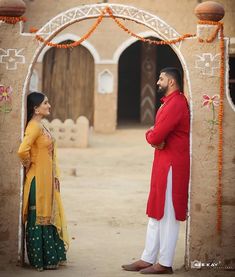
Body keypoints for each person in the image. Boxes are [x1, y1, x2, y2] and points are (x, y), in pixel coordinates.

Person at [122, 67, 190, 274]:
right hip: (163, 164)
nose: (157, 82)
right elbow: (156, 135)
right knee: (156, 211)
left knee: (168, 213)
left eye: (161, 79)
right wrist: (155, 136)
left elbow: (155, 135)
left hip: (173, 166)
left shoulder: (177, 103)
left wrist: (152, 136)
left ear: (171, 82)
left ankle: (165, 262)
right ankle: (147, 257)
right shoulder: (169, 103)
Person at [18, 92, 69, 271]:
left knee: (47, 214)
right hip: (37, 180)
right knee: (38, 216)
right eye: (45, 103)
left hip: (46, 178)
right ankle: (39, 259)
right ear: (36, 108)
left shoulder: (41, 125)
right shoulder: (34, 127)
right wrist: (30, 164)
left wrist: (53, 175)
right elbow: (22, 150)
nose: (49, 105)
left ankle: (49, 258)